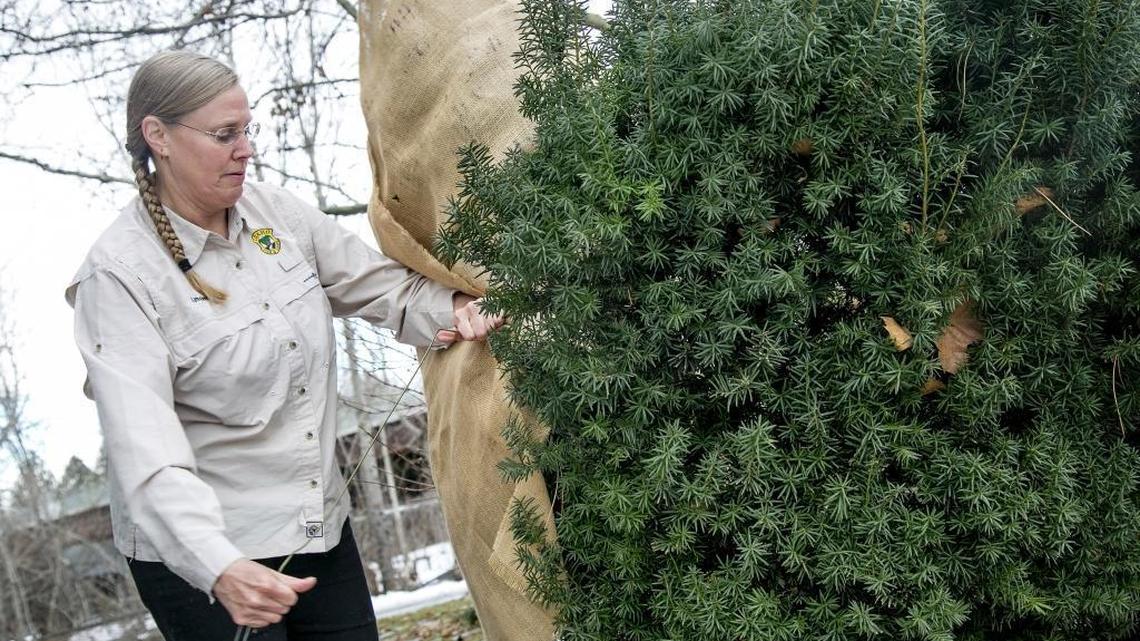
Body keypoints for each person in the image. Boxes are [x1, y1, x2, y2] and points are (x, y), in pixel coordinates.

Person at [65, 50, 501, 640]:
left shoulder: (274, 215)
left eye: (248, 129)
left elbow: (379, 286)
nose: (246, 148)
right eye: (224, 135)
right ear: (157, 137)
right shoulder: (119, 276)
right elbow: (146, 454)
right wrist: (216, 566)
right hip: (210, 559)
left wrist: (455, 307)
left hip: (316, 528)